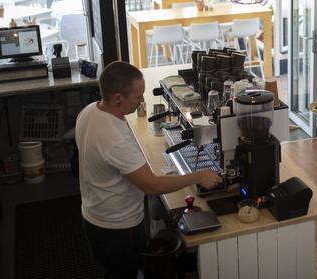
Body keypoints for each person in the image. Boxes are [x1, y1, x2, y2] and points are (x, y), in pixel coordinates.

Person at [75, 61, 222, 278]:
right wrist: (199, 175)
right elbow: (151, 185)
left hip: (94, 214)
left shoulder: (90, 112)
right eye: (137, 96)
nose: (142, 100)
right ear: (118, 98)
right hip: (117, 228)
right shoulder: (114, 139)